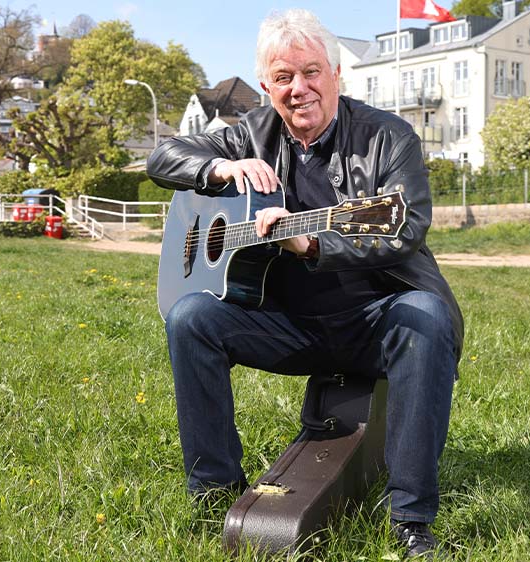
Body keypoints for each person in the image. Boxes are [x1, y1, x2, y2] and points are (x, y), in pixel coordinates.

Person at [146, 9, 463, 559]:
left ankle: (410, 517)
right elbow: (162, 157)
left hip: (374, 318)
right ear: (266, 87)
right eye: (284, 78)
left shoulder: (388, 137)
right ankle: (213, 493)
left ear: (337, 73)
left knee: (427, 317)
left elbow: (403, 226)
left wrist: (311, 243)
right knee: (191, 317)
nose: (299, 89)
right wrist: (223, 170)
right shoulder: (248, 133)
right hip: (284, 325)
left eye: (312, 72)